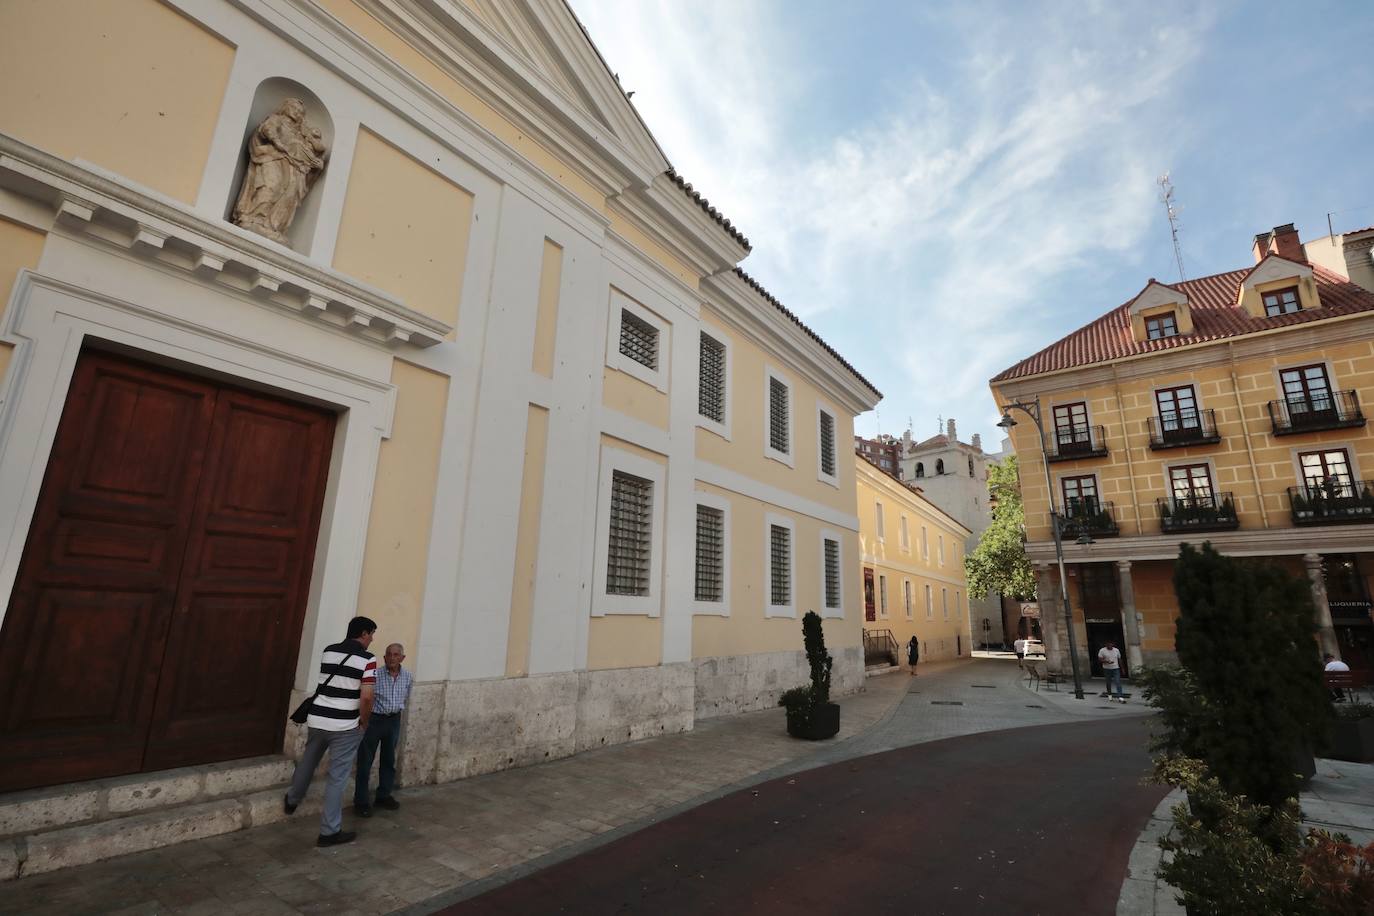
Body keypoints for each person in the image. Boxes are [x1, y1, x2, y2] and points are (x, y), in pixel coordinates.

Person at [284, 616, 377, 847]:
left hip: (318, 718)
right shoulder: (368, 659)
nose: (372, 639)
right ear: (364, 634)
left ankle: (292, 799)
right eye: (371, 634)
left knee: (309, 760)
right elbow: (366, 697)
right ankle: (329, 831)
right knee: (338, 778)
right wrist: (364, 722)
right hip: (345, 724)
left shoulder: (329, 651)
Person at [355, 643, 414, 816]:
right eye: (389, 654)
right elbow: (365, 696)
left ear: (402, 658)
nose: (392, 658)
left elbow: (406, 695)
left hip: (394, 720)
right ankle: (361, 801)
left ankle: (383, 795)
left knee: (389, 760)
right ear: (384, 657)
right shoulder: (376, 675)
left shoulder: (408, 676)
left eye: (396, 655)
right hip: (375, 720)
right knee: (365, 761)